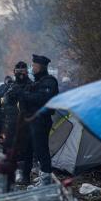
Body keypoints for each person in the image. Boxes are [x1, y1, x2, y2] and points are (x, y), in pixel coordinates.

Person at [18, 55, 59, 186]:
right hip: (32, 121)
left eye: (34, 66)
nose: (32, 68)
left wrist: (25, 95)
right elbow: (25, 99)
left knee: (42, 151)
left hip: (42, 121)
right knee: (29, 149)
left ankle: (46, 180)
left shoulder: (50, 82)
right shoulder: (36, 83)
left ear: (41, 67)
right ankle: (33, 175)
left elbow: (42, 98)